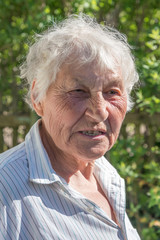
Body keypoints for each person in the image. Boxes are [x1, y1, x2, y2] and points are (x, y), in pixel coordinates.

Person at [0, 14, 141, 240]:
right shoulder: (6, 188)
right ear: (38, 97)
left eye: (112, 92)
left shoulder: (105, 175)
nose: (100, 110)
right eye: (78, 91)